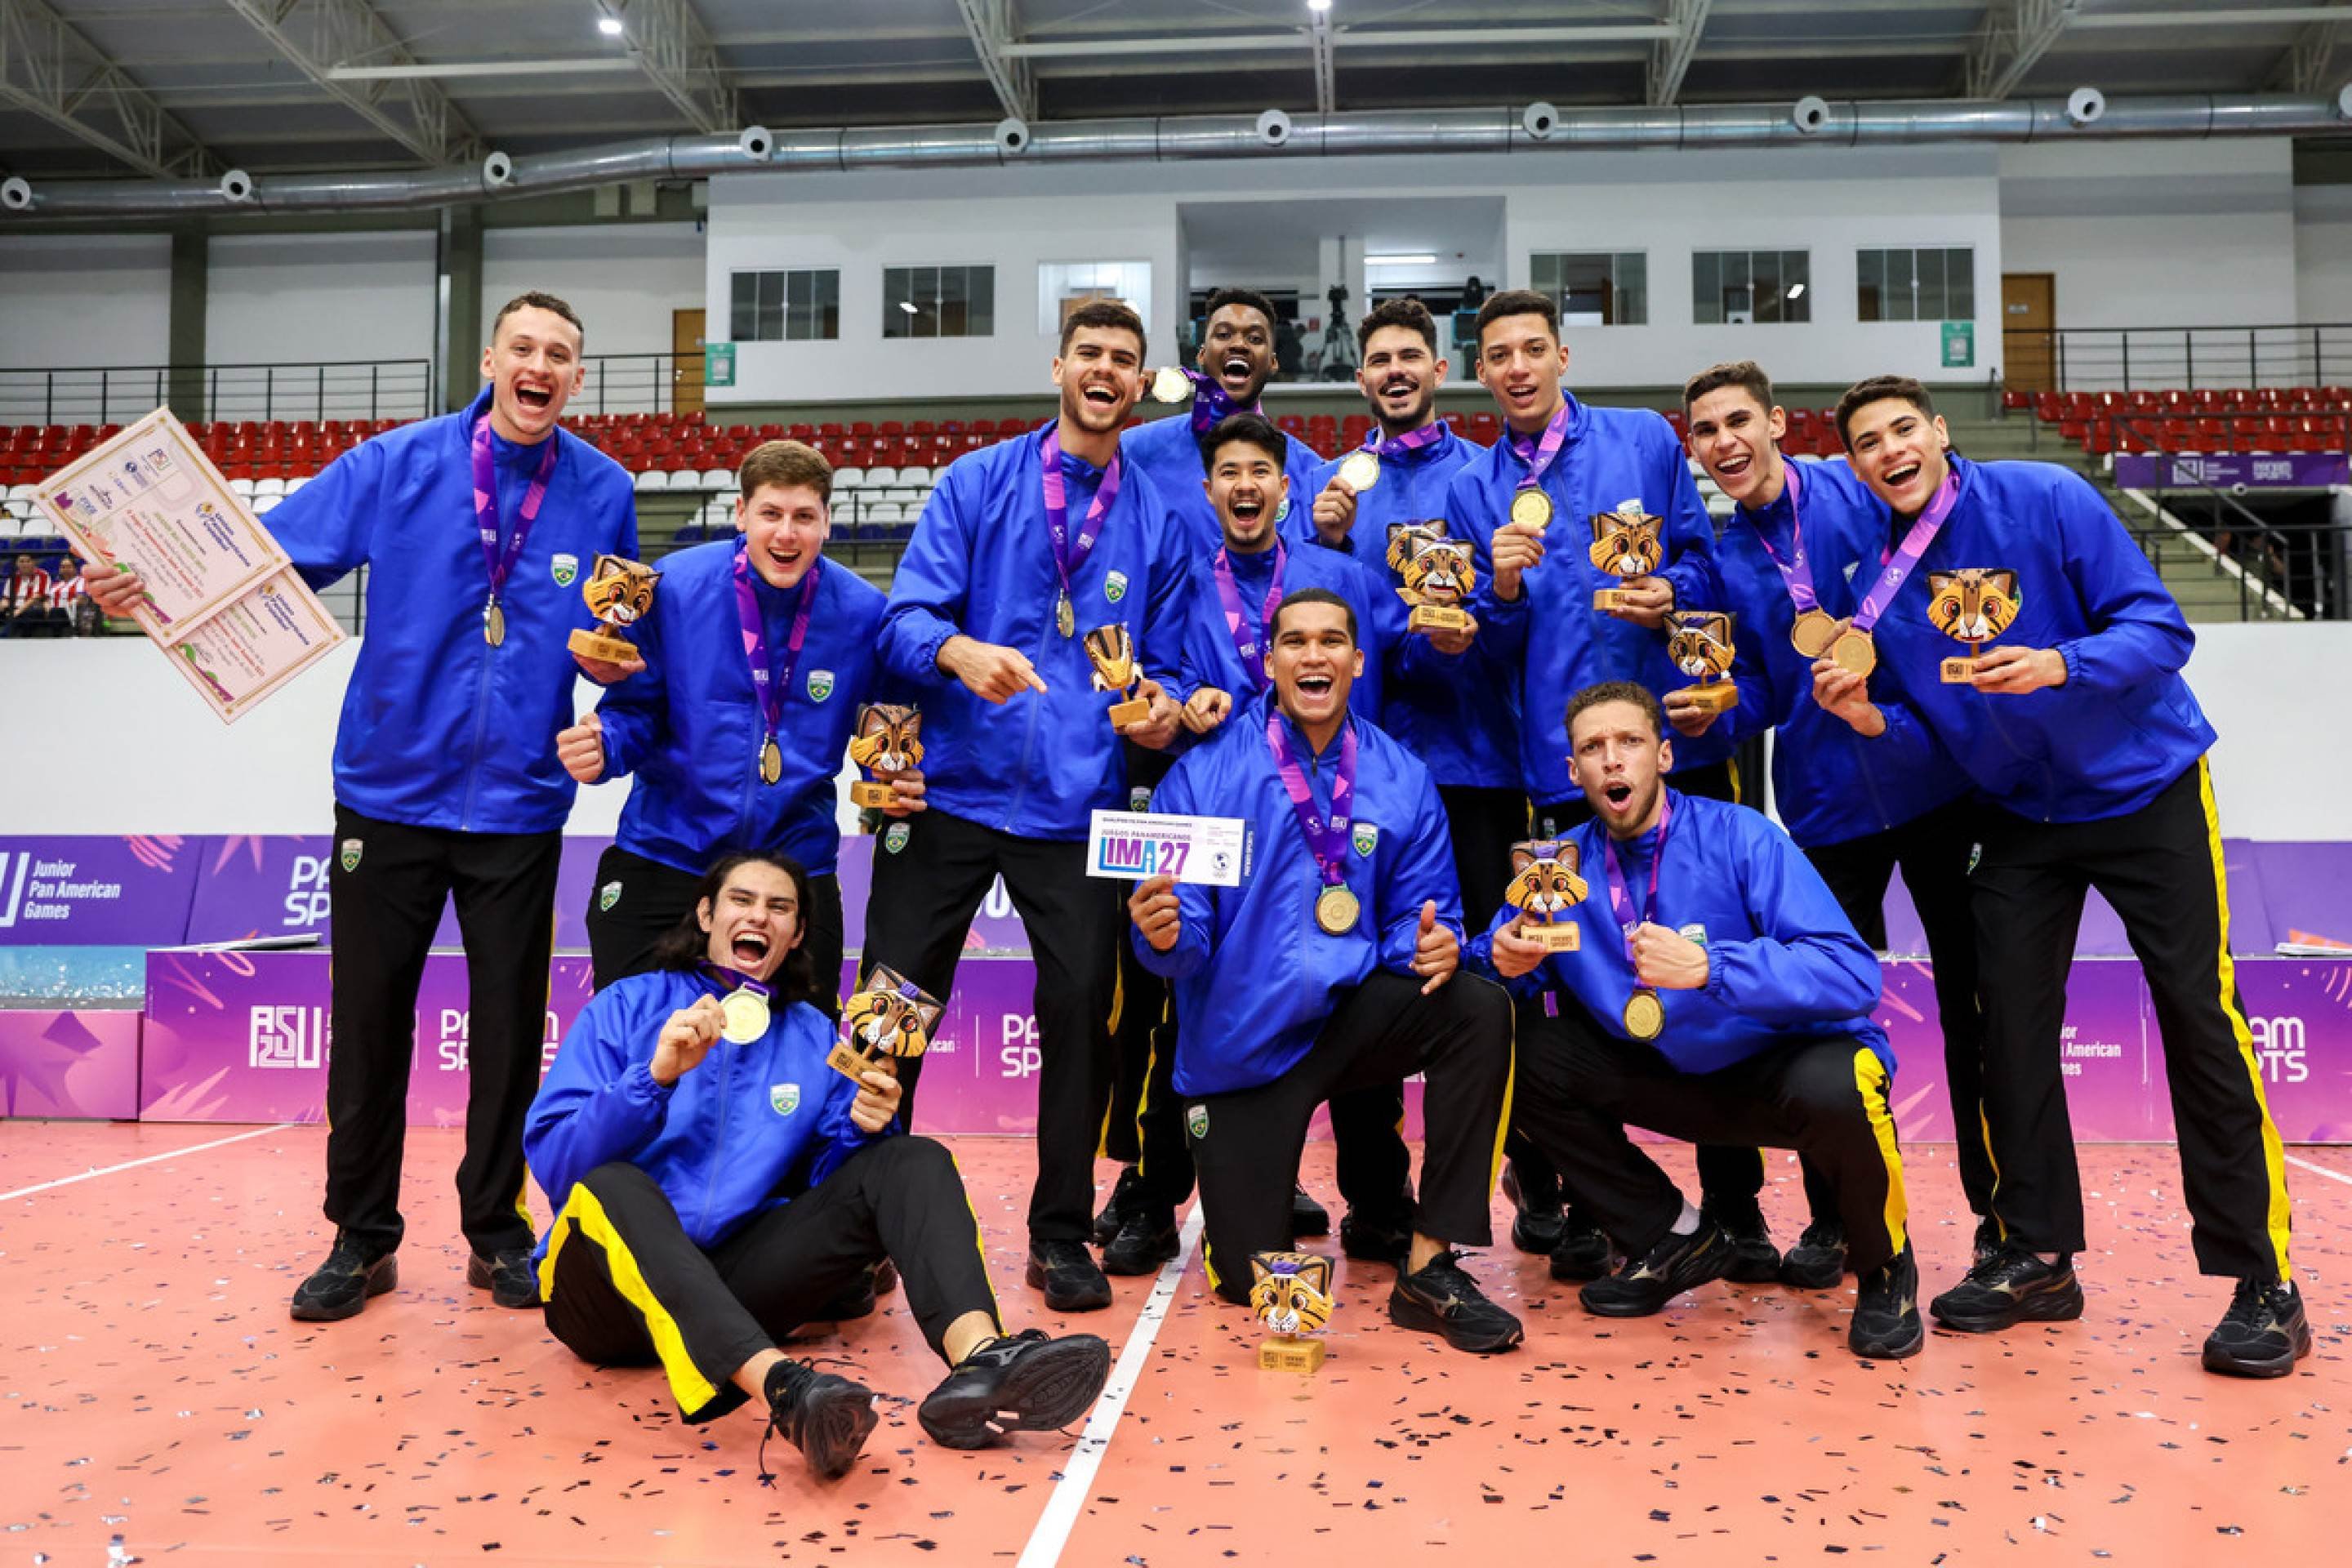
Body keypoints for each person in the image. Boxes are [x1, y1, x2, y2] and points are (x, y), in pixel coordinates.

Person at [85, 291, 640, 1321]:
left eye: (560, 354)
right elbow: (261, 557)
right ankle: (362, 1237)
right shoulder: (398, 464)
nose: (540, 366)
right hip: (388, 792)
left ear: (576, 376)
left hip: (520, 804)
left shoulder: (604, 490)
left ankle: (496, 1230)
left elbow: (618, 637)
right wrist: (142, 585)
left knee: (507, 1032)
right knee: (371, 1023)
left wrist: (612, 713)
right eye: (523, 347)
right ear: (490, 359)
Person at [1817, 375, 2305, 1379]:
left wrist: (2061, 666)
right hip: (2016, 815)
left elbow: (2162, 632)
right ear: (1855, 465)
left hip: (2143, 788)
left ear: (1939, 432)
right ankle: (2034, 1254)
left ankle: (2266, 1281)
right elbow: (1929, 726)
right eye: (1868, 442)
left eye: (1903, 429)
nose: (1890, 451)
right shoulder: (1874, 577)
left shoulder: (2047, 496)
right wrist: (1870, 720)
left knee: (2199, 1014)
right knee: (2003, 1024)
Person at [524, 852, 1111, 1482]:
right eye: (742, 900)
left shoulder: (814, 1036)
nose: (759, 916)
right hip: (605, 1303)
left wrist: (862, 1126)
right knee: (614, 1185)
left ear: (798, 933)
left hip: (734, 1285)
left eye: (779, 907)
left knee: (912, 1158)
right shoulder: (625, 1007)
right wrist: (654, 1078)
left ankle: (982, 1362)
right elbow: (559, 1165)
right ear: (707, 915)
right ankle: (784, 1390)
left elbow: (826, 1187)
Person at [1443, 287, 1775, 1281]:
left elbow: (1707, 565)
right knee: (1564, 984)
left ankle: (1737, 1204)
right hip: (1559, 767)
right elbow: (1483, 650)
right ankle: (1595, 1205)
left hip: (1680, 748)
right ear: (1482, 372)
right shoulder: (1472, 486)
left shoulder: (1642, 440)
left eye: (1532, 348)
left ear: (1563, 355)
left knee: (1715, 966)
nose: (1516, 367)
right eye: (1498, 355)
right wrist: (1501, 589)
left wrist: (1674, 590)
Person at [867, 299, 1192, 1315]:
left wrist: (1159, 710)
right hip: (948, 793)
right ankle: (861, 1215)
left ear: (1139, 385)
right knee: (889, 1008)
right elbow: (902, 621)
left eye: (1124, 360)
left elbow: (1174, 669)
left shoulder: (1159, 518)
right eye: (1090, 353)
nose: (1105, 370)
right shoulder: (977, 483)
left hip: (1075, 812)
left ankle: (1058, 1233)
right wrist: (956, 650)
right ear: (1058, 367)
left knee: (1082, 1021)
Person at [1129, 588, 1522, 1354]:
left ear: (1358, 661)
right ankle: (1256, 1200)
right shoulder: (1202, 777)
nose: (1315, 655)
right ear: (1271, 662)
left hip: (1347, 1022)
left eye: (1332, 641)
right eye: (1297, 641)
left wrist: (1430, 944)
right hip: (1242, 1047)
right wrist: (1163, 935)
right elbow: (1182, 941)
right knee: (1248, 1280)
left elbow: (1422, 913)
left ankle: (1430, 1264)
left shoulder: (1402, 776)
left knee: (1477, 1007)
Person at [1479, 683, 1922, 1361]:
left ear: (1663, 756)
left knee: (1844, 1079)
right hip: (1664, 1072)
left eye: (1629, 742)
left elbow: (1853, 975)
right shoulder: (1555, 868)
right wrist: (1500, 958)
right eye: (1593, 748)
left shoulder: (1742, 835)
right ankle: (1671, 1237)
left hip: (1775, 1072)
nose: (1612, 760)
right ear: (1573, 771)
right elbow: (1498, 953)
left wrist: (1712, 967)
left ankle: (1885, 1265)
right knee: (1518, 1047)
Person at [1677, 360, 1989, 1289]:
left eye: (1740, 421)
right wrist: (1713, 712)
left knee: (1978, 1010)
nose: (1726, 442)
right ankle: (1835, 1219)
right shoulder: (1730, 557)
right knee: (1825, 1019)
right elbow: (1762, 690)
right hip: (1824, 809)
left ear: (1776, 422)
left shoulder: (1860, 493)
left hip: (1938, 783)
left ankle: (2003, 1223)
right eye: (1706, 431)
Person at [1094, 413, 1417, 1276]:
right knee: (1170, 995)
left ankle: (1380, 1200)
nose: (1245, 486)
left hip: (1332, 812)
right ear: (1208, 491)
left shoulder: (1340, 574)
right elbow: (1151, 674)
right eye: (1229, 473)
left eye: (1260, 472)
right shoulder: (1180, 575)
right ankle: (1152, 1194)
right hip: (1208, 805)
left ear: (1286, 487)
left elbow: (1410, 649)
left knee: (1354, 983)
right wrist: (1180, 700)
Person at [558, 439, 919, 997]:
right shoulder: (674, 588)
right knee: (635, 1037)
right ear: (741, 514)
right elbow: (635, 710)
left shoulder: (865, 614)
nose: (786, 534)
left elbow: (883, 732)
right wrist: (606, 747)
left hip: (794, 869)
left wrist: (889, 784)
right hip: (666, 853)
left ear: (828, 521)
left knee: (797, 1046)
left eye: (804, 517)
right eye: (770, 513)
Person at [1120, 287, 1325, 550]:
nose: (1238, 344)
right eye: (1224, 335)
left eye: (1255, 338)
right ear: (1202, 355)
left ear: (1273, 362)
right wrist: (1117, 404)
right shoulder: (1136, 450)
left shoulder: (1309, 470)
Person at [2, 552, 60, 637]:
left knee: (26, 615)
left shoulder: (42, 575)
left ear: (34, 562)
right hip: (14, 608)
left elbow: (37, 597)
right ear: (17, 563)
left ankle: (5, 637)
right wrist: (3, 605)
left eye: (28, 561)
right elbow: (6, 598)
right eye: (22, 561)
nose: (25, 564)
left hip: (34, 608)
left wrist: (17, 611)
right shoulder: (13, 577)